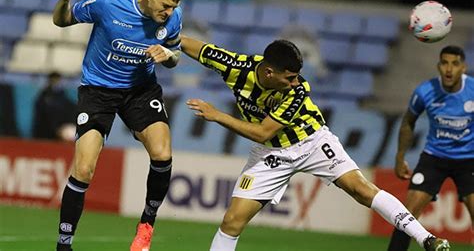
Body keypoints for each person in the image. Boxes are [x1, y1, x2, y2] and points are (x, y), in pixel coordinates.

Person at [179, 35, 451, 251]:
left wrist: (217, 115)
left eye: (297, 76)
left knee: (360, 189)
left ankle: (426, 239)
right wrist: (162, 37)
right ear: (270, 72)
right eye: (290, 77)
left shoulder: (298, 91)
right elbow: (198, 47)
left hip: (312, 142)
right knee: (232, 220)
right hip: (271, 153)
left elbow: (262, 131)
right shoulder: (237, 66)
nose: (296, 81)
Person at [52, 0, 184, 251]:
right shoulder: (107, 3)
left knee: (162, 153)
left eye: (174, 7)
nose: (170, 12)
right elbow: (62, 21)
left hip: (140, 90)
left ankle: (146, 226)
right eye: (165, 6)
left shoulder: (173, 20)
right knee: (84, 169)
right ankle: (64, 245)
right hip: (98, 91)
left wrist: (169, 56)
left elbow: (175, 56)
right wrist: (64, 1)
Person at [387, 45, 473, 251]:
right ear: (438, 66)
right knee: (407, 215)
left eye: (455, 64)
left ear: (464, 67)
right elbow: (409, 121)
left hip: (469, 159)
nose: (449, 69)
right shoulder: (425, 91)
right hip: (434, 157)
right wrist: (400, 157)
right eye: (445, 63)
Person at [32, 71, 76, 141]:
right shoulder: (44, 94)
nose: (56, 82)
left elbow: (69, 107)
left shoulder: (62, 94)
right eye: (54, 80)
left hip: (60, 127)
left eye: (57, 80)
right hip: (46, 128)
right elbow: (40, 111)